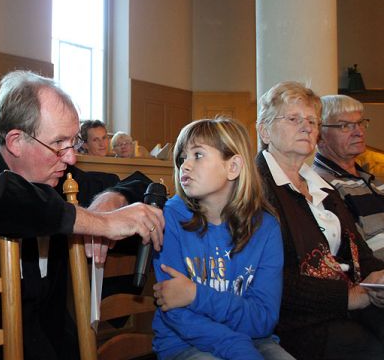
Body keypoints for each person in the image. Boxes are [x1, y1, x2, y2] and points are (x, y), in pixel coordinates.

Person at [0, 70, 165, 360]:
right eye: (59, 143)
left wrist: (111, 198)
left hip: (49, 340)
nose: (71, 157)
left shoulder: (60, 175)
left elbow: (141, 184)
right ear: (15, 141)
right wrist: (97, 222)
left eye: (72, 142)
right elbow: (0, 194)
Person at [256, 81, 384, 360]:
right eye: (293, 119)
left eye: (312, 121)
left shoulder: (322, 188)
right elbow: (269, 280)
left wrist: (378, 278)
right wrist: (351, 296)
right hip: (298, 321)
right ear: (265, 131)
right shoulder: (256, 190)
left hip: (352, 304)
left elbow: (360, 253)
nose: (306, 127)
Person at [152, 118, 290, 360]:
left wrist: (196, 295)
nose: (185, 165)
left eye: (198, 155)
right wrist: (237, 349)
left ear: (233, 167)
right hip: (185, 342)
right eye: (182, 158)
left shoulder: (266, 227)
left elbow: (264, 319)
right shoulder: (169, 218)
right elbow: (174, 309)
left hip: (254, 339)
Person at [313, 94, 384, 260]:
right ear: (319, 136)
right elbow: (356, 256)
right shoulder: (321, 187)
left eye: (360, 123)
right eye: (345, 126)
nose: (359, 132)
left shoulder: (374, 181)